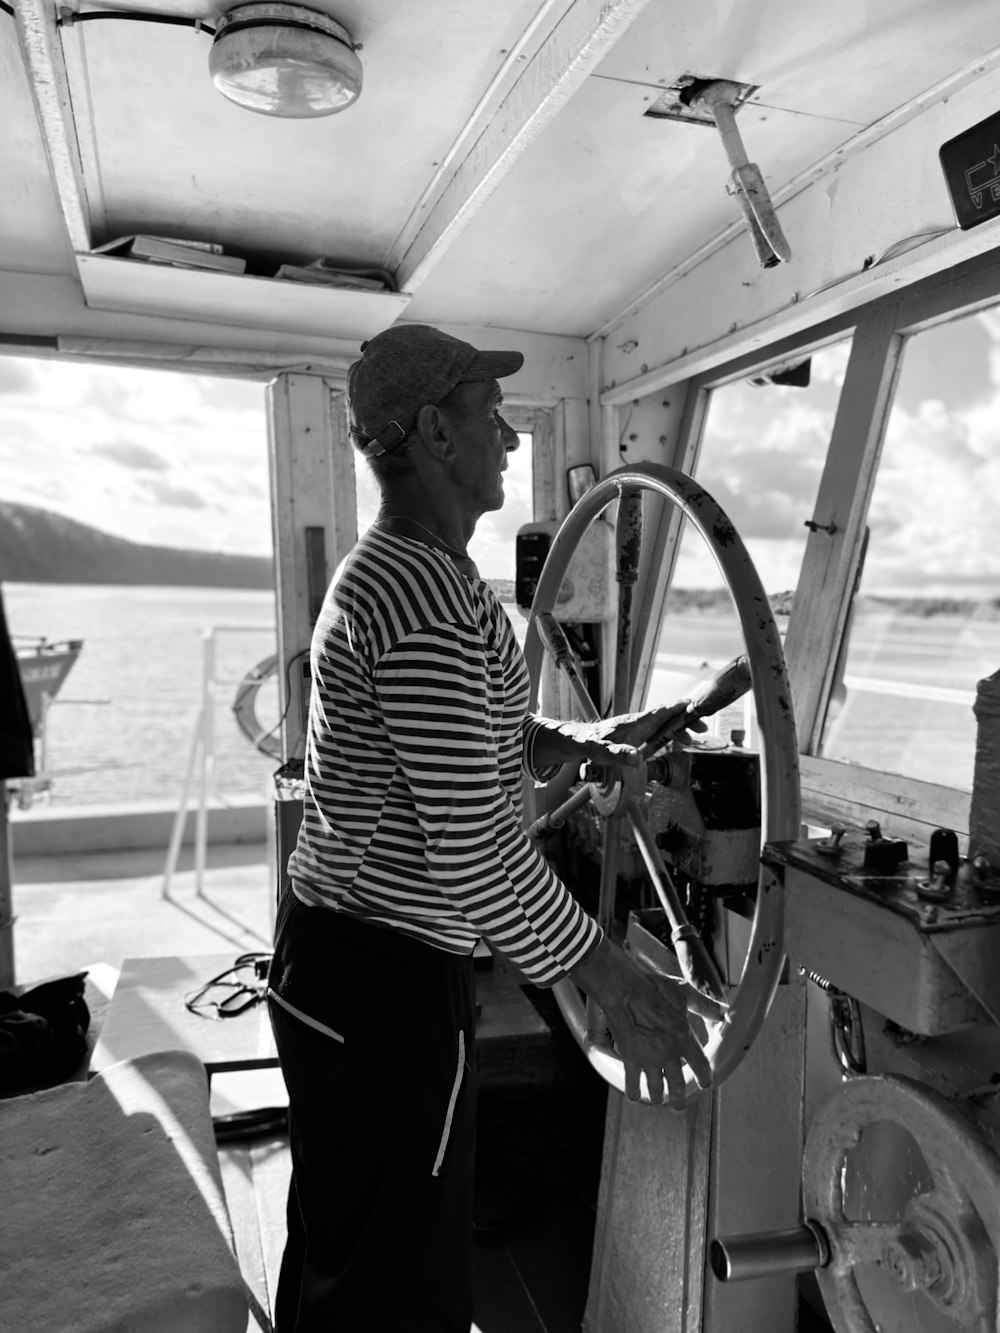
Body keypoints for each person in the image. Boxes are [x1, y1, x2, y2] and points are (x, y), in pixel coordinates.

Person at [267, 323, 725, 1333]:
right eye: (489, 414)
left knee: (350, 1238)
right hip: (378, 987)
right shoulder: (421, 591)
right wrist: (615, 976)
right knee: (394, 1282)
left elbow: (487, 730)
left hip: (350, 971)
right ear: (433, 432)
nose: (511, 439)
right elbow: (476, 854)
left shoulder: (412, 573)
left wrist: (593, 741)